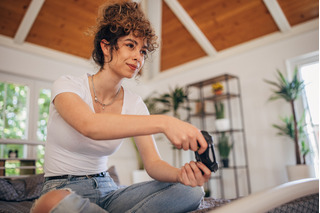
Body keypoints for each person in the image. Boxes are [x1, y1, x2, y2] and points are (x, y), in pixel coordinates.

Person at [31, 1, 211, 212]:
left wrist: (181, 175)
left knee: (191, 191)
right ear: (106, 47)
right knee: (53, 202)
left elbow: (153, 164)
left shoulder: (135, 103)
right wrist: (164, 122)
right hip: (62, 186)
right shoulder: (68, 85)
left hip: (108, 190)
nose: (138, 57)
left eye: (143, 51)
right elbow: (90, 126)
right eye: (130, 45)